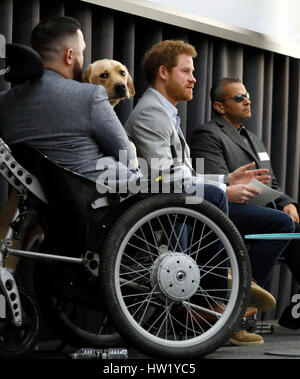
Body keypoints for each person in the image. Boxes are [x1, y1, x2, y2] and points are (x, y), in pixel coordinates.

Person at [125, 40, 295, 345]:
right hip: (161, 207)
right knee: (215, 198)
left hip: (177, 200)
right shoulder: (152, 112)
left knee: (280, 222)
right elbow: (163, 175)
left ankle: (237, 293)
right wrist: (224, 188)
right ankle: (216, 303)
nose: (194, 79)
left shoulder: (166, 113)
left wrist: (225, 179)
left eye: (193, 72)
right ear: (163, 72)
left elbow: (182, 173)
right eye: (186, 71)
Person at [190, 77, 300, 330]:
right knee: (282, 225)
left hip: (264, 210)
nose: (247, 100)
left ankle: (290, 316)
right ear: (220, 106)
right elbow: (216, 185)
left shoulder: (255, 139)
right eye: (239, 98)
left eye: (247, 95)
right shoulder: (208, 134)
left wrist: (287, 202)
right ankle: (241, 300)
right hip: (229, 210)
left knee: (293, 224)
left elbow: (272, 183)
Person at [0, 16, 140, 189]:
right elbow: (127, 155)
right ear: (69, 56)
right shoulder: (90, 95)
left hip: (41, 197)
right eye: (82, 52)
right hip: (99, 197)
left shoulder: (4, 102)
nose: (82, 59)